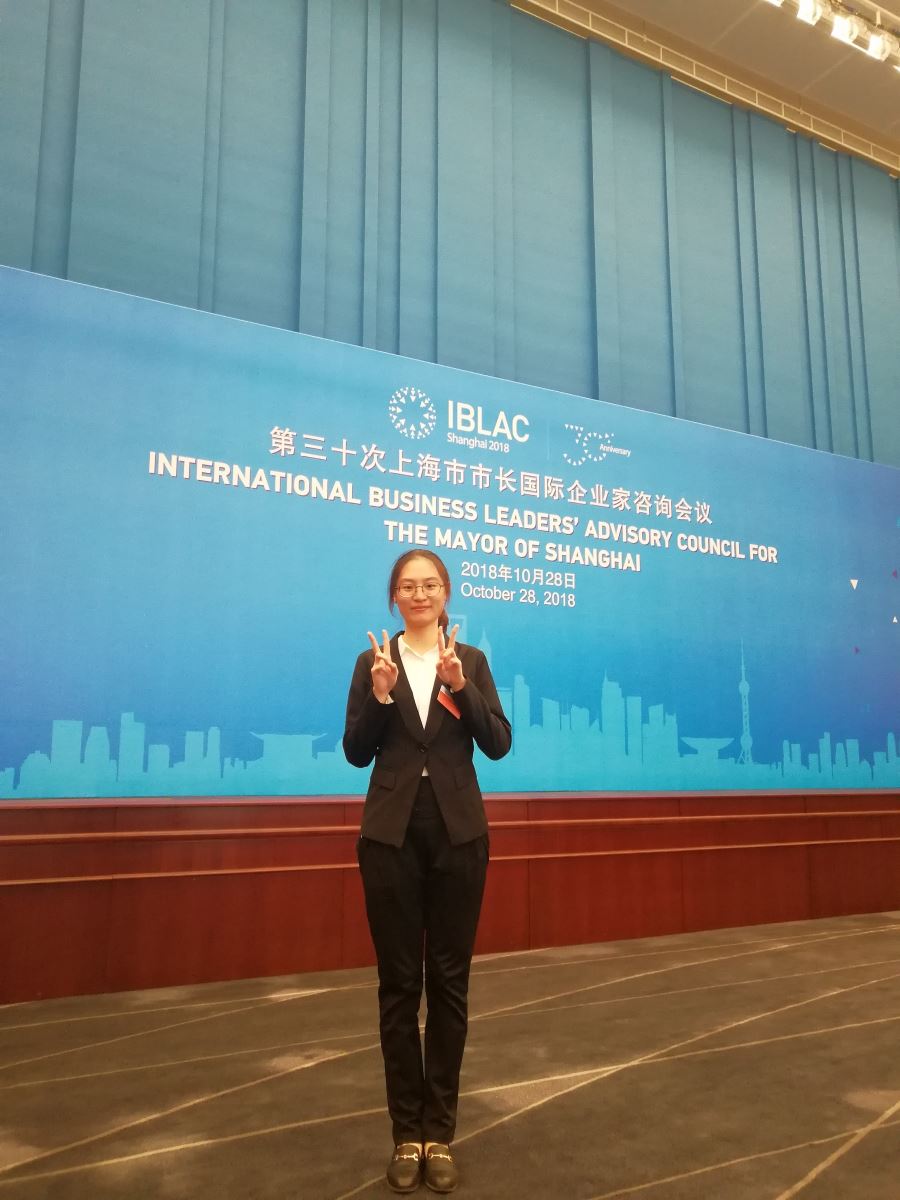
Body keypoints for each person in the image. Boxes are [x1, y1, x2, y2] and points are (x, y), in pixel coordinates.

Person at [343, 550, 512, 1194]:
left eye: (431, 585)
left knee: (448, 985)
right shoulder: (373, 662)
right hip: (389, 837)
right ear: (394, 596)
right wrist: (381, 696)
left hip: (457, 835)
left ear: (446, 594)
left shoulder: (469, 661)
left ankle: (438, 1132)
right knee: (397, 987)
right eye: (408, 586)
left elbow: (498, 744)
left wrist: (461, 688)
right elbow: (355, 751)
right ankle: (404, 1135)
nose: (420, 594)